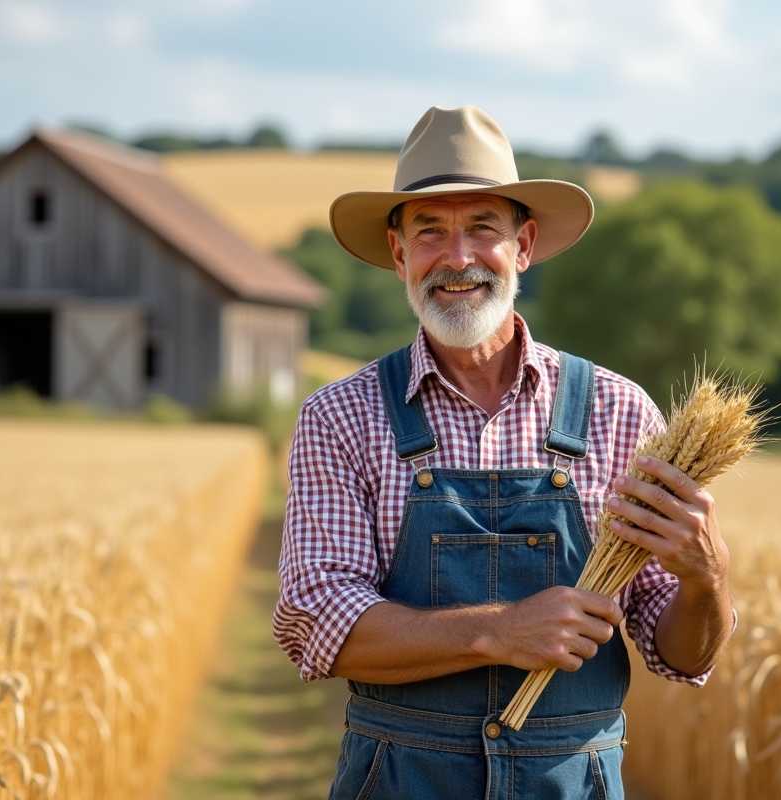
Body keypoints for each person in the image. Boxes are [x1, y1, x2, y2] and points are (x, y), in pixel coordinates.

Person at [274, 105, 734, 800]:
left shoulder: (619, 412)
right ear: (399, 255)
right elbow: (317, 624)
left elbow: (681, 656)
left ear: (523, 246)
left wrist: (708, 581)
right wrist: (500, 631)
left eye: (483, 228)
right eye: (430, 231)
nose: (458, 258)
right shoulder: (340, 416)